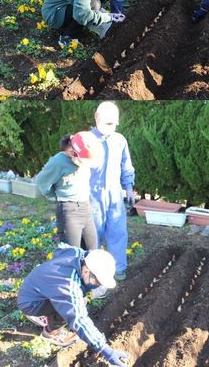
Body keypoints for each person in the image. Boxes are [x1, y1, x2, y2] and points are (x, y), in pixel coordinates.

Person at [17, 242, 129, 363]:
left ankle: (48, 314)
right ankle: (50, 333)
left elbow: (61, 247)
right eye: (97, 281)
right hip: (31, 303)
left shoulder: (79, 255)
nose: (98, 285)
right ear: (86, 271)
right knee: (71, 308)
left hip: (36, 288)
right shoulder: (68, 287)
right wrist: (106, 350)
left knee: (78, 300)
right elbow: (79, 320)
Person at [90, 102, 135, 287]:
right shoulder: (86, 140)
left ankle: (119, 268)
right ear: (96, 118)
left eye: (113, 124)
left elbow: (126, 165)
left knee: (117, 232)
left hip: (114, 195)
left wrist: (129, 188)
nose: (111, 128)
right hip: (91, 195)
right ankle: (92, 270)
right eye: (107, 124)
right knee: (93, 234)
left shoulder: (119, 140)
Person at [36, 132, 100, 251]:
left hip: (86, 208)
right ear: (72, 151)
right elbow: (41, 182)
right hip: (69, 211)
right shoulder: (59, 161)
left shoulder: (85, 153)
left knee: (92, 252)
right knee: (71, 255)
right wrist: (55, 195)